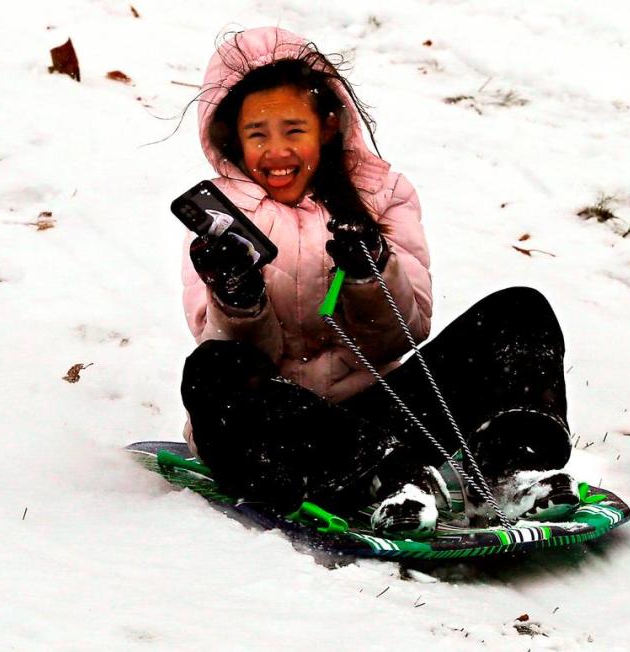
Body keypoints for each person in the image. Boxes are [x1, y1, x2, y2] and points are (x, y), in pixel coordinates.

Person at [180, 27, 575, 539]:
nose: (276, 151)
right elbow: (235, 359)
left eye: (293, 129)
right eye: (258, 134)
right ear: (234, 138)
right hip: (279, 435)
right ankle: (381, 477)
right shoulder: (221, 217)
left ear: (325, 127)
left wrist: (370, 275)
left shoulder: (380, 195)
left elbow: (402, 337)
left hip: (381, 416)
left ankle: (508, 470)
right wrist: (238, 297)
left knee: (520, 311)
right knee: (212, 367)